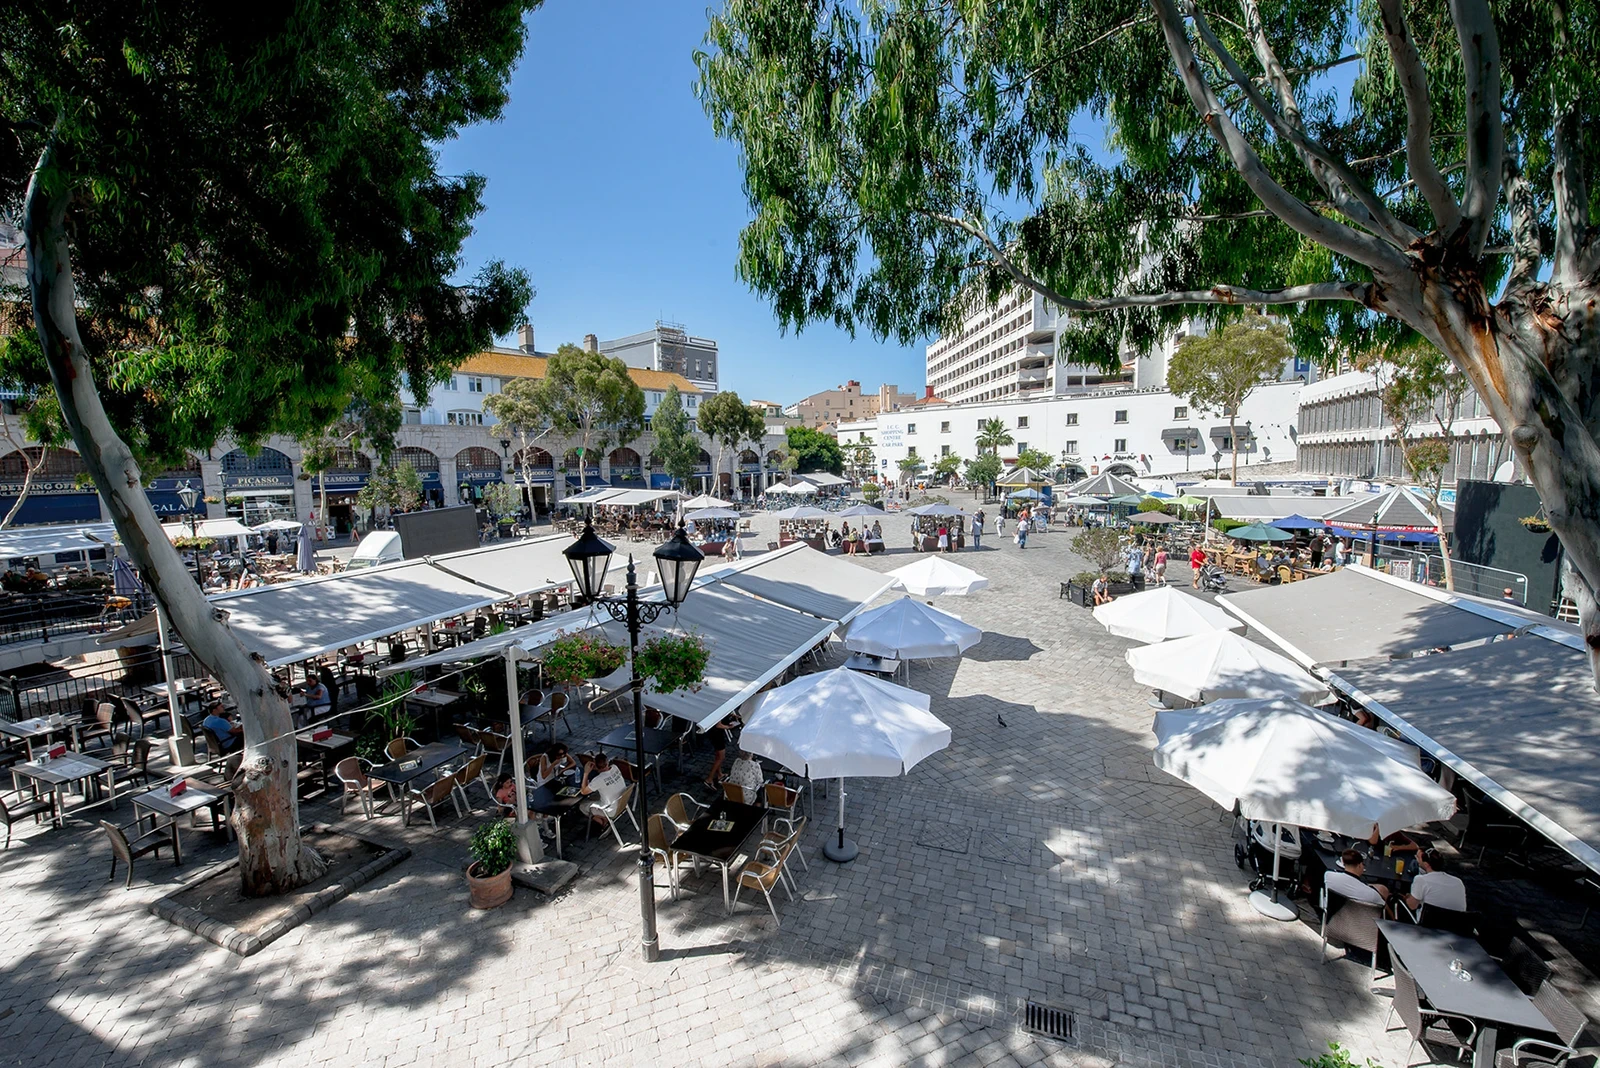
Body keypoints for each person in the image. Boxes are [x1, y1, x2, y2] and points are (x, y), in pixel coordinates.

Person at [1404, 849, 1468, 916]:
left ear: (1426, 864)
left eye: (1418, 858)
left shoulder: (1421, 880)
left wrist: (1407, 897)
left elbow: (1412, 906)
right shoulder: (1458, 882)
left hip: (1427, 924)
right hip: (1455, 924)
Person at [577, 752, 628, 826]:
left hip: (611, 811)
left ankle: (603, 822)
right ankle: (602, 819)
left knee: (582, 805)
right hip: (622, 802)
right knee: (595, 795)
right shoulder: (615, 767)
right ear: (607, 762)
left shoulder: (598, 780)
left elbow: (583, 791)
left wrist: (586, 773)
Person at [703, 710, 742, 786]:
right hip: (716, 734)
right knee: (721, 757)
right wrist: (729, 727)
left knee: (718, 756)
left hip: (715, 734)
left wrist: (732, 716)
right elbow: (718, 725)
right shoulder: (718, 710)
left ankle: (719, 774)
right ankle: (709, 779)